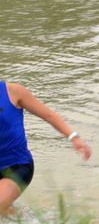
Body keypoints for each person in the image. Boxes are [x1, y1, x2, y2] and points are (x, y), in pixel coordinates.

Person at [0, 81, 91, 216]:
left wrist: (73, 137)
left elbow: (48, 115)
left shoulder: (13, 91)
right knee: (4, 214)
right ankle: (25, 222)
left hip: (17, 166)